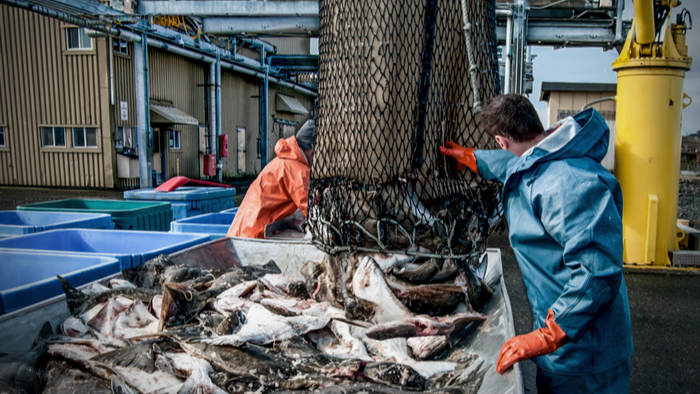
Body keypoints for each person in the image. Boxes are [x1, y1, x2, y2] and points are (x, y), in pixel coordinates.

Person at [440, 94, 633, 393]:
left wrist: (549, 335)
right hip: (564, 348)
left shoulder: (569, 184)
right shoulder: (550, 149)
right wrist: (475, 158)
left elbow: (598, 270)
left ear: (502, 140)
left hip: (585, 355)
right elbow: (518, 165)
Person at [227, 119, 314, 238]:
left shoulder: (286, 160)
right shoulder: (296, 168)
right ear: (309, 149)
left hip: (244, 228)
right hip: (252, 233)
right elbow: (311, 209)